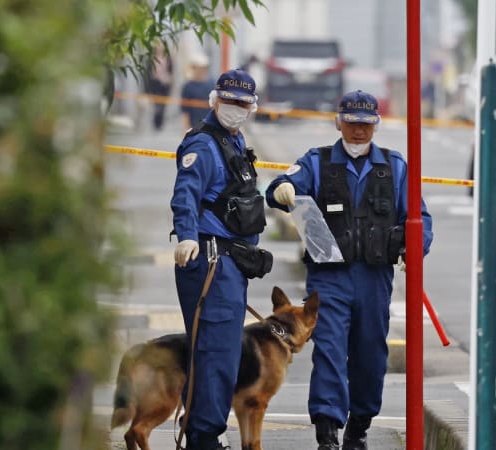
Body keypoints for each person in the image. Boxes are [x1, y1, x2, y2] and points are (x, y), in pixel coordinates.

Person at [265, 90, 433, 450]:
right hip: (329, 276)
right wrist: (282, 191)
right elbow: (282, 184)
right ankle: (327, 431)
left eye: (366, 124)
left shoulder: (395, 167)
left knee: (370, 353)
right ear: (338, 121)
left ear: (376, 125)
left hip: (374, 278)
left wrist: (414, 248)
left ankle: (359, 425)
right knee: (328, 348)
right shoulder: (317, 162)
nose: (359, 131)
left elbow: (419, 217)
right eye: (353, 123)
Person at [170, 69, 271, 450]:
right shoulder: (204, 144)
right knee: (214, 354)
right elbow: (186, 195)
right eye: (229, 101)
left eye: (243, 103)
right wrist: (187, 236)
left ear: (252, 107)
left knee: (223, 354)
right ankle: (203, 436)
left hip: (231, 265)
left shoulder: (234, 141)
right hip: (211, 260)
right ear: (215, 100)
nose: (235, 109)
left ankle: (205, 429)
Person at [180, 52, 214, 131]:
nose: (202, 70)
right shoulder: (188, 86)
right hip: (194, 125)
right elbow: (185, 111)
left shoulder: (211, 84)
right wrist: (185, 129)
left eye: (204, 68)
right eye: (200, 68)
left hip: (210, 125)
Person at [145, 45, 174, 130]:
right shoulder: (151, 59)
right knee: (157, 104)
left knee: (162, 105)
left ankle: (160, 122)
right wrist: (147, 88)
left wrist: (170, 80)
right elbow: (147, 73)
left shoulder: (168, 58)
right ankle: (156, 123)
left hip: (165, 85)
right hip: (155, 83)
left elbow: (171, 71)